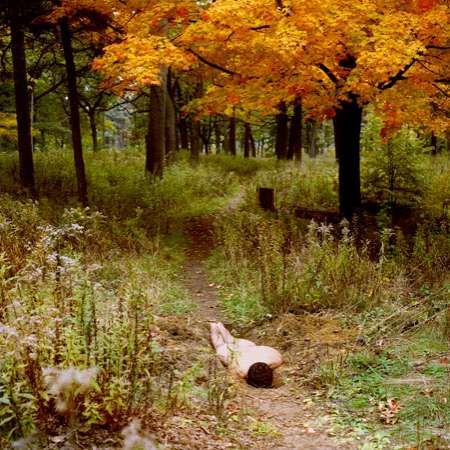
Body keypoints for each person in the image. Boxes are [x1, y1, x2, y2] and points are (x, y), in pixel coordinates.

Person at [210, 322, 282, 388]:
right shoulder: (240, 370)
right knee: (219, 344)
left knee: (231, 339)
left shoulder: (276, 358)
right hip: (230, 352)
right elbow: (231, 377)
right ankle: (213, 327)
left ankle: (219, 326)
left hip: (248, 345)